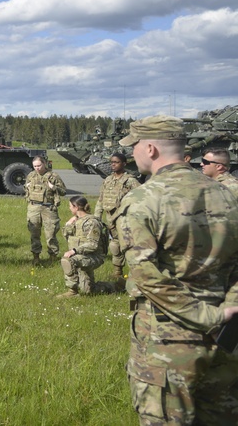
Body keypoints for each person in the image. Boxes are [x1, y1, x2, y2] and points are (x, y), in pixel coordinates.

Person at [117, 115, 238, 425]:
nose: (132, 154)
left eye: (135, 147)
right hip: (227, 339)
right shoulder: (228, 195)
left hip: (168, 345)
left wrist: (205, 317)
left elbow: (146, 276)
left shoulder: (144, 199)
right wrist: (228, 309)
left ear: (151, 149)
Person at [96, 153, 140, 289]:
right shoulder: (108, 180)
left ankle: (136, 275)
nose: (113, 164)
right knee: (114, 246)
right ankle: (117, 273)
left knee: (128, 246)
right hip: (110, 218)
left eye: (116, 162)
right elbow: (101, 199)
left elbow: (141, 198)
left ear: (124, 164)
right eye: (111, 162)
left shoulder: (130, 181)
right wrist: (97, 216)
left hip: (124, 219)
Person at [57, 195, 105, 297]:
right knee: (89, 290)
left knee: (68, 260)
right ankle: (117, 286)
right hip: (82, 255)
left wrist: (74, 251)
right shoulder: (77, 220)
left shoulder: (92, 222)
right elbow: (67, 236)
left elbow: (93, 245)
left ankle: (72, 292)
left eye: (70, 206)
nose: (69, 208)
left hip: (93, 256)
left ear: (76, 207)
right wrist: (68, 224)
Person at [24, 156, 66, 265]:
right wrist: (26, 186)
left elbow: (63, 191)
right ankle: (36, 257)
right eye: (35, 166)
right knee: (34, 233)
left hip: (48, 208)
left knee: (51, 234)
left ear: (44, 164)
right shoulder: (31, 175)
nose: (37, 168)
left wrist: (53, 187)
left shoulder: (53, 176)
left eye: (39, 165)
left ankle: (52, 257)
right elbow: (26, 188)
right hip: (34, 207)